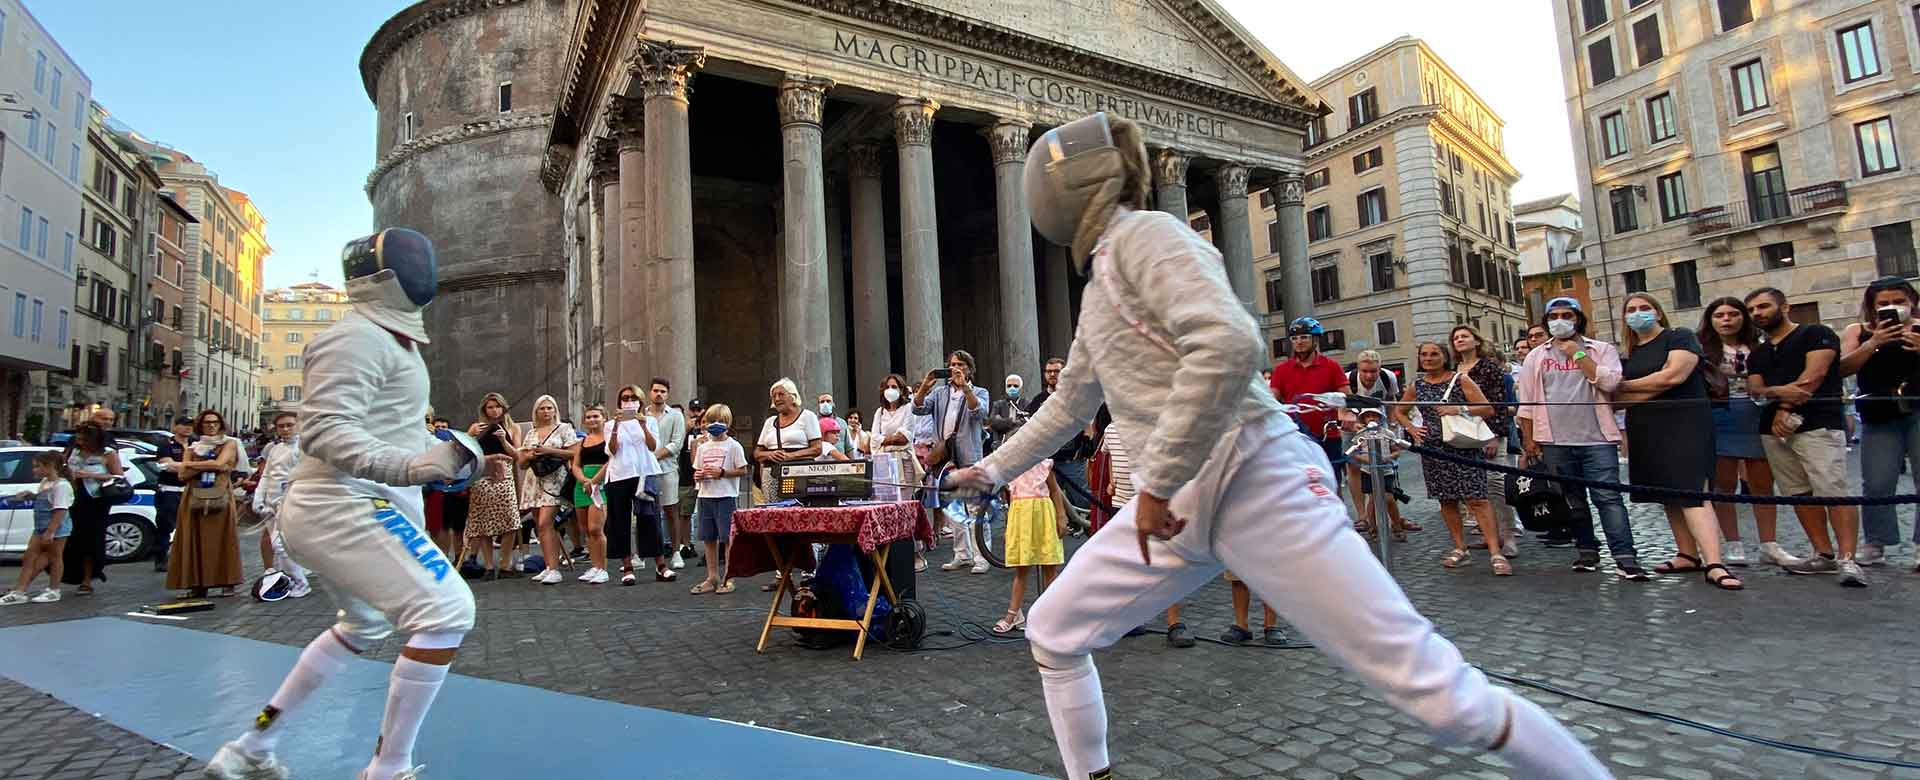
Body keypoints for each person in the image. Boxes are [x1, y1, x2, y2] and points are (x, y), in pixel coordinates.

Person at [945, 112, 1608, 780]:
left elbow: (1230, 342)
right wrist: (991, 468)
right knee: (1056, 630)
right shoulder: (1102, 283)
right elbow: (1070, 403)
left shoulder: (1148, 235)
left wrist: (1155, 484)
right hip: (1178, 506)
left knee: (1440, 697)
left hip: (1255, 478)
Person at [204, 228, 498, 779]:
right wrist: (412, 466)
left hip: (354, 504)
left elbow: (385, 430)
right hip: (344, 504)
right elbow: (326, 433)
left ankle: (252, 747)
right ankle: (388, 768)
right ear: (388, 277)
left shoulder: (389, 340)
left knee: (361, 627)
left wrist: (451, 457)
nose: (425, 272)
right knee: (448, 612)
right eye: (416, 262)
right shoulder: (356, 337)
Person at [1613, 294, 1742, 590]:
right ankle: (1687, 553)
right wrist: (1634, 391)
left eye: (1644, 308)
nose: (1638, 314)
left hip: (1685, 423)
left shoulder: (1680, 337)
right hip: (1647, 427)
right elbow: (1621, 400)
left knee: (1693, 491)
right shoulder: (1630, 351)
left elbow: (1673, 376)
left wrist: (1623, 386)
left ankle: (1715, 563)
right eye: (1631, 310)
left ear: (1658, 312)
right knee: (1668, 493)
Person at [1516, 297, 1649, 580]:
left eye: (1567, 315)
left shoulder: (1600, 350)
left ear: (1578, 319)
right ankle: (1586, 551)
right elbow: (1526, 404)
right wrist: (1529, 441)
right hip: (1554, 441)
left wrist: (1577, 354)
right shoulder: (1535, 357)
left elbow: (1611, 382)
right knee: (1571, 500)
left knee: (1608, 498)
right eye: (1554, 316)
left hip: (1597, 438)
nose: (1560, 320)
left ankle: (1625, 557)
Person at [1745, 287, 1867, 586]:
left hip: (1818, 424)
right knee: (1797, 492)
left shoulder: (1816, 333)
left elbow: (1815, 375)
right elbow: (1755, 389)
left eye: (1763, 306)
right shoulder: (1758, 353)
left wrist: (1783, 406)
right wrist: (1776, 393)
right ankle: (1822, 554)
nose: (1757, 313)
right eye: (1752, 310)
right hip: (1773, 431)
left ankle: (1847, 559)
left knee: (1832, 490)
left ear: (1784, 306)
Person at [1396, 341, 1506, 575]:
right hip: (1434, 449)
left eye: (1434, 354)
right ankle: (1460, 547)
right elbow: (1399, 410)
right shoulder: (1417, 385)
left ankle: (1495, 551)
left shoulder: (1460, 380)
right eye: (1423, 354)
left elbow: (1487, 408)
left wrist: (1460, 409)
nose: (1428, 358)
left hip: (1463, 447)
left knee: (1477, 498)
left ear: (1444, 357)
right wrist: (1412, 429)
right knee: (1446, 500)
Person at [1698, 297, 1791, 568]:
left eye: (1732, 314)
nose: (1726, 319)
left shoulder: (1761, 346)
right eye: (1719, 315)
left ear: (1743, 318)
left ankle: (1769, 544)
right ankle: (1733, 543)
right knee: (1723, 485)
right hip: (1718, 415)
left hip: (1757, 415)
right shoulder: (1701, 349)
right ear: (1710, 320)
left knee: (1762, 483)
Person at [1839, 276, 1920, 570]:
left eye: (1899, 302)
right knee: (1877, 481)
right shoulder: (1858, 331)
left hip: (1918, 407)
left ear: (1912, 301)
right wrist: (1874, 343)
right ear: (1872, 308)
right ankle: (1876, 542)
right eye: (1883, 304)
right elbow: (1842, 367)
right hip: (1878, 412)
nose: (1892, 308)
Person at [914, 350, 991, 573]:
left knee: (975, 509)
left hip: (969, 456)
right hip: (946, 458)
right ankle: (962, 554)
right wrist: (924, 387)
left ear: (969, 368)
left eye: (959, 364)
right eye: (951, 365)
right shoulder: (939, 393)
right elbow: (917, 408)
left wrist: (965, 387)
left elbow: (979, 413)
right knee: (952, 508)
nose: (954, 368)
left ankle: (981, 557)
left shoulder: (980, 391)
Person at [991, 417, 1068, 636]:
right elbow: (1008, 499)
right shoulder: (1010, 470)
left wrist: (1061, 516)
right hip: (1021, 517)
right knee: (1021, 568)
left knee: (1049, 567)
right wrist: (1009, 528)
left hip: (1042, 515)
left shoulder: (1043, 463)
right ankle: (1014, 614)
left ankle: (1051, 615)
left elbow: (1055, 491)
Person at [1450, 325, 1518, 558]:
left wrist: (1494, 436)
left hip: (1489, 433)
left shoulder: (1489, 368)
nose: (1460, 340)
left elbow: (1498, 404)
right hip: (1462, 434)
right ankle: (1490, 534)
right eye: (1456, 337)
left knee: (1496, 486)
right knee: (1476, 488)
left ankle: (1509, 536)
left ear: (1476, 341)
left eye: (1464, 336)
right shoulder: (1452, 369)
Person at [1270, 317, 1349, 488]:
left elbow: (1346, 397)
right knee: (1300, 485)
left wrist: (1345, 414)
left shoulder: (1331, 367)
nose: (1299, 342)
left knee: (1331, 483)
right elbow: (1271, 400)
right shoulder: (1282, 370)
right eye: (1294, 338)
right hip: (1296, 436)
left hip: (1328, 434)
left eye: (1304, 337)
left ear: (1315, 339)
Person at [605, 384, 667, 585]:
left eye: (633, 397)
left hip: (643, 472)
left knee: (650, 519)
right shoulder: (609, 424)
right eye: (624, 397)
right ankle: (627, 566)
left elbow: (652, 446)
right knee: (620, 521)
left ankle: (660, 565)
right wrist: (615, 425)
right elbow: (612, 450)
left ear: (640, 401)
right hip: (619, 474)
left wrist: (642, 425)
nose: (628, 400)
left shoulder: (649, 421)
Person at [514, 394, 578, 585]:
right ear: (536, 412)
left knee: (545, 523)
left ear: (555, 410)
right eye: (542, 408)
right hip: (535, 480)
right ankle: (549, 566)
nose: (546, 411)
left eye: (550, 408)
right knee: (539, 525)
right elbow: (522, 463)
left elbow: (574, 452)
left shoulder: (564, 429)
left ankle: (555, 569)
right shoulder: (531, 433)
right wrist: (530, 455)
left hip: (555, 481)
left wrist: (549, 451)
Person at [251, 411, 311, 599]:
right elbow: (267, 475)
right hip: (270, 506)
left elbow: (305, 479)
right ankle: (294, 579)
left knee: (280, 546)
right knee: (283, 546)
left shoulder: (305, 449)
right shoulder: (275, 449)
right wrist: (258, 498)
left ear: (298, 425)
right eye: (281, 426)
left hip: (290, 504)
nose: (285, 429)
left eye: (289, 425)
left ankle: (301, 583)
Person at [60, 422, 123, 595]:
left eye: (84, 438)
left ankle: (88, 579)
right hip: (73, 497)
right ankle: (69, 575)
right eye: (78, 437)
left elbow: (118, 476)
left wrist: (90, 475)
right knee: (72, 539)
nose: (80, 441)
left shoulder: (108, 454)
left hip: (95, 500)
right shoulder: (73, 450)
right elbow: (61, 467)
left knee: (91, 540)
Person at [690, 403, 748, 595]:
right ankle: (712, 575)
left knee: (727, 538)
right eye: (712, 420)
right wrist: (698, 476)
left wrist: (722, 472)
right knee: (708, 537)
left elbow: (742, 469)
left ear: (728, 423)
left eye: (720, 421)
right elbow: (697, 469)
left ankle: (729, 576)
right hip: (706, 495)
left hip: (726, 496)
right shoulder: (703, 447)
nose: (715, 424)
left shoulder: (734, 446)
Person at [1, 452, 74, 604]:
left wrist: (51, 531)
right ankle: (19, 591)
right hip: (40, 527)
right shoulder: (45, 482)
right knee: (29, 557)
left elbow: (60, 510)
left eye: (37, 466)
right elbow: (45, 498)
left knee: (55, 558)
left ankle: (54, 590)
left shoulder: (61, 486)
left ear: (50, 466)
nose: (34, 470)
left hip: (56, 529)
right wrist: (31, 495)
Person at [871, 374, 926, 571]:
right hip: (884, 463)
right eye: (887, 386)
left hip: (904, 462)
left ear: (902, 390)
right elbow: (873, 440)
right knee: (887, 509)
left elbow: (904, 438)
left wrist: (885, 439)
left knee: (904, 509)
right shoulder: (879, 412)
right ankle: (891, 554)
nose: (890, 390)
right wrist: (887, 439)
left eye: (894, 386)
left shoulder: (908, 410)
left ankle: (915, 553)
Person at [464, 393, 522, 580]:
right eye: (490, 407)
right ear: (484, 410)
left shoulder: (513, 428)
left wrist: (504, 440)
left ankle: (505, 564)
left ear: (503, 408)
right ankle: (489, 566)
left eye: (497, 406)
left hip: (505, 476)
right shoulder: (476, 427)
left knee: (511, 521)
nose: (494, 410)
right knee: (483, 523)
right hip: (482, 475)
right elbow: (466, 452)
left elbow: (518, 455)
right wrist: (470, 436)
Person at [648, 380, 691, 569]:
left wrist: (655, 456)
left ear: (668, 394)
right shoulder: (643, 416)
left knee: (671, 510)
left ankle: (675, 552)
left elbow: (676, 444)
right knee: (646, 512)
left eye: (663, 391)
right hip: (645, 470)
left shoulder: (675, 416)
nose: (659, 394)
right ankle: (645, 553)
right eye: (656, 390)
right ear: (650, 392)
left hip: (667, 468)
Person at [151, 415, 193, 572]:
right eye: (183, 424)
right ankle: (161, 559)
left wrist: (181, 466)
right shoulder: (165, 444)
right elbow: (167, 466)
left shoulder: (195, 444)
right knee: (165, 525)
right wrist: (194, 466)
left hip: (189, 491)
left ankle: (184, 558)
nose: (187, 428)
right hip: (169, 490)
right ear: (175, 427)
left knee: (189, 526)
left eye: (190, 425)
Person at [816, 391, 850, 456]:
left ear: (833, 404)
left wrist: (852, 464)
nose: (825, 403)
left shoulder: (842, 423)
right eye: (822, 402)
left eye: (828, 401)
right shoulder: (813, 422)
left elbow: (848, 448)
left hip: (840, 462)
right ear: (818, 405)